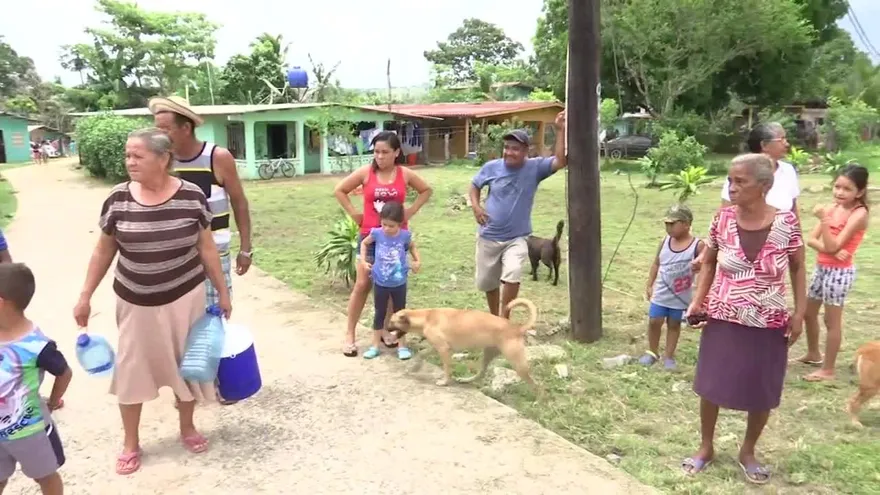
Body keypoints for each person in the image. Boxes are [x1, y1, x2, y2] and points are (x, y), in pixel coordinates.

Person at [72, 128, 231, 475]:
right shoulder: (118, 199)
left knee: (188, 366)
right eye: (128, 155)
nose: (129, 162)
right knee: (131, 370)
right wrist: (85, 295)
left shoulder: (191, 196)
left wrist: (222, 290)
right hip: (135, 301)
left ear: (163, 159)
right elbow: (104, 250)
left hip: (185, 296)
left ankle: (187, 427)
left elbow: (206, 248)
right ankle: (131, 442)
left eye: (137, 156)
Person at [682, 153, 806, 485]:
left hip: (768, 320)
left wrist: (800, 313)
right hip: (723, 315)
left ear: (764, 186)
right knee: (711, 385)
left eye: (741, 181)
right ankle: (705, 447)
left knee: (761, 389)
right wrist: (698, 300)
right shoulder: (722, 219)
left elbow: (797, 267)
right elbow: (708, 262)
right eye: (730, 180)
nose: (732, 187)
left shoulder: (786, 223)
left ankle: (748, 451)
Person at [334, 131, 433, 357]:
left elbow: (426, 190)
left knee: (391, 285)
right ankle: (350, 334)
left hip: (397, 240)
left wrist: (410, 211)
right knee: (362, 285)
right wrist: (354, 214)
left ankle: (389, 332)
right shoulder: (366, 173)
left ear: (397, 152)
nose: (380, 156)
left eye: (385, 152)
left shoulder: (404, 174)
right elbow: (340, 190)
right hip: (371, 236)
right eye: (376, 152)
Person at [149, 96, 253, 308]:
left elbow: (239, 203)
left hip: (213, 255)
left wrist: (245, 249)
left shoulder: (218, 158)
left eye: (165, 129)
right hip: (174, 258)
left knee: (214, 321)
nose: (158, 136)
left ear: (186, 127)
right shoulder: (161, 162)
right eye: (156, 129)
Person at [470, 112, 566, 318]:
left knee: (513, 273)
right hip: (488, 235)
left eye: (515, 148)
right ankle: (495, 318)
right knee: (488, 282)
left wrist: (560, 130)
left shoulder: (535, 167)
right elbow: (475, 185)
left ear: (526, 150)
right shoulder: (491, 167)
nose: (509, 152)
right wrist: (476, 207)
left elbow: (560, 161)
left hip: (517, 236)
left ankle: (504, 318)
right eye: (506, 148)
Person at [0, 263, 72, 495]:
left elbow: (64, 372)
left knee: (46, 477)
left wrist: (52, 401)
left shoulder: (38, 346)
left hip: (31, 432)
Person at [797, 165, 870, 381]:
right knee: (809, 313)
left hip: (839, 273)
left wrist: (825, 224)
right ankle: (813, 353)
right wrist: (830, 248)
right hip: (823, 267)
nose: (839, 192)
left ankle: (828, 369)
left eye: (847, 189)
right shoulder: (832, 208)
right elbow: (811, 240)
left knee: (832, 321)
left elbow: (832, 245)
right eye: (837, 187)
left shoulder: (859, 214)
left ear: (860, 192)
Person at [641, 204, 704, 371]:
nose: (668, 228)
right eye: (666, 224)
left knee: (674, 324)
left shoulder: (697, 245)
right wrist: (650, 284)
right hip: (661, 292)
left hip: (680, 295)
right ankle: (652, 351)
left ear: (686, 224)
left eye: (673, 224)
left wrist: (700, 293)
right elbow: (656, 263)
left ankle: (669, 355)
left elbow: (705, 268)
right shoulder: (664, 242)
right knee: (654, 321)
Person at [359, 201, 421, 360]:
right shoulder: (377, 233)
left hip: (399, 283)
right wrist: (363, 261)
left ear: (400, 224)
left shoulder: (405, 236)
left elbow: (413, 247)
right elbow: (364, 244)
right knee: (379, 313)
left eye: (391, 226)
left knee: (401, 314)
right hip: (380, 281)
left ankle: (402, 346)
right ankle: (374, 346)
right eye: (384, 224)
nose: (387, 228)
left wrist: (417, 261)